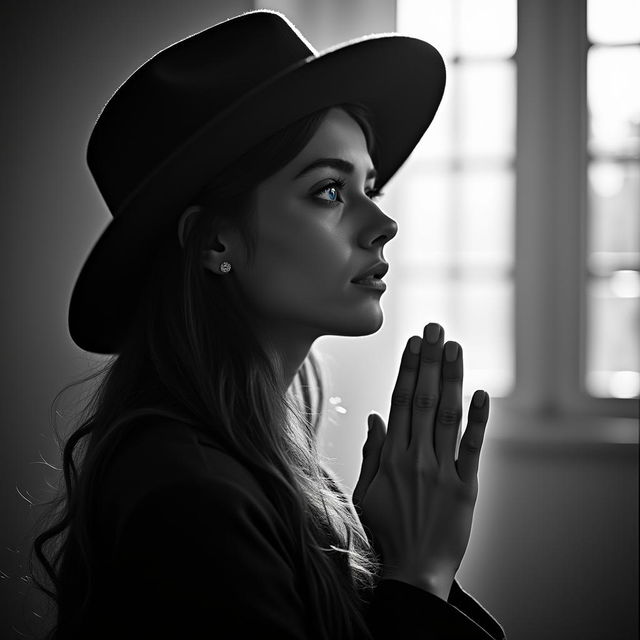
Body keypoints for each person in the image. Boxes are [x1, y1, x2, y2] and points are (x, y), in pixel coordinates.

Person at [30, 10, 506, 640]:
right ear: (216, 241)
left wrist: (383, 567)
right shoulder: (193, 501)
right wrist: (417, 581)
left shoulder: (259, 469)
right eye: (330, 191)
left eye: (371, 188)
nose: (382, 224)